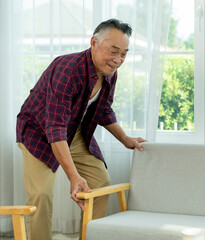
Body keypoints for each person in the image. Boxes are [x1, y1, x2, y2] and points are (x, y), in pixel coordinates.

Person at [16, 19, 147, 240]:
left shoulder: (109, 73)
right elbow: (55, 127)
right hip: (38, 131)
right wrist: (73, 176)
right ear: (93, 43)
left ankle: (88, 237)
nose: (118, 60)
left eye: (124, 54)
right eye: (113, 51)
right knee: (41, 195)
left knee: (99, 184)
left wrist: (125, 139)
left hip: (73, 130)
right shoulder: (68, 70)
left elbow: (104, 109)